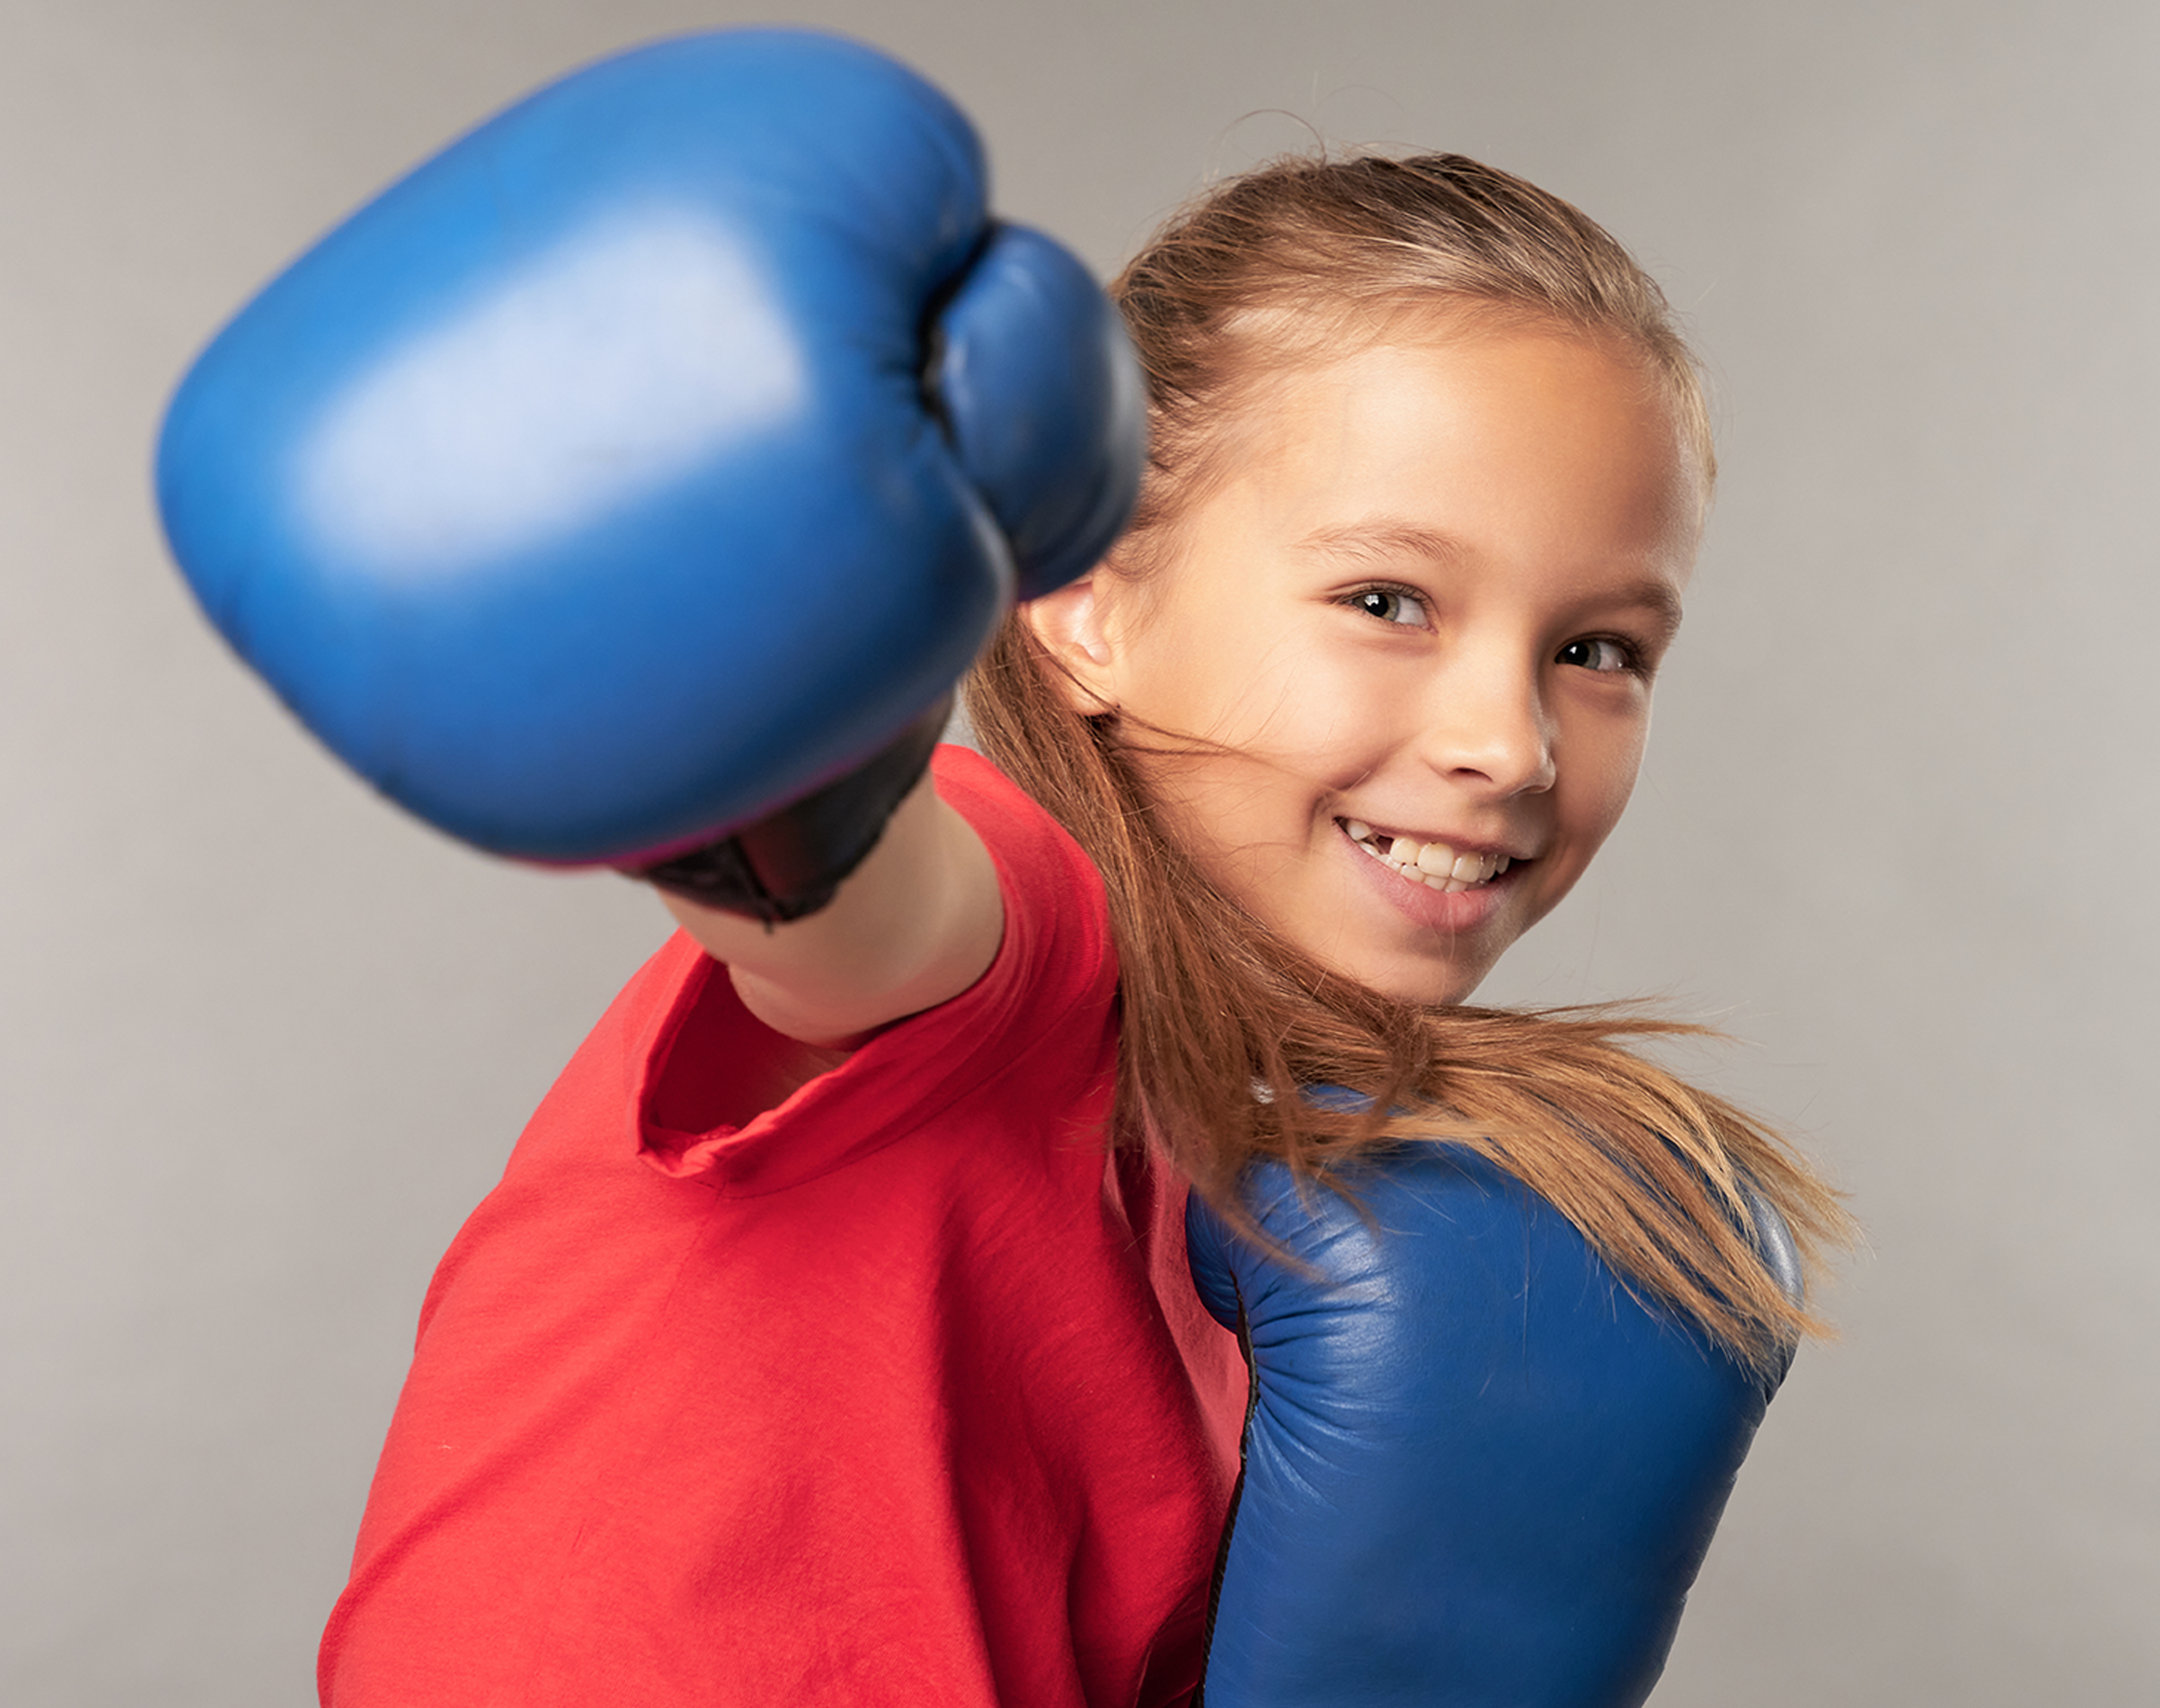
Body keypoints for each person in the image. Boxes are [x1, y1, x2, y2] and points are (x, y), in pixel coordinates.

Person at [155, 30, 1848, 1708]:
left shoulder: (1283, 1211)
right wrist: (767, 796)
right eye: (1388, 601)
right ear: (1082, 601)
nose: (1512, 742)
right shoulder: (1019, 924)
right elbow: (857, 916)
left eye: (1602, 648)